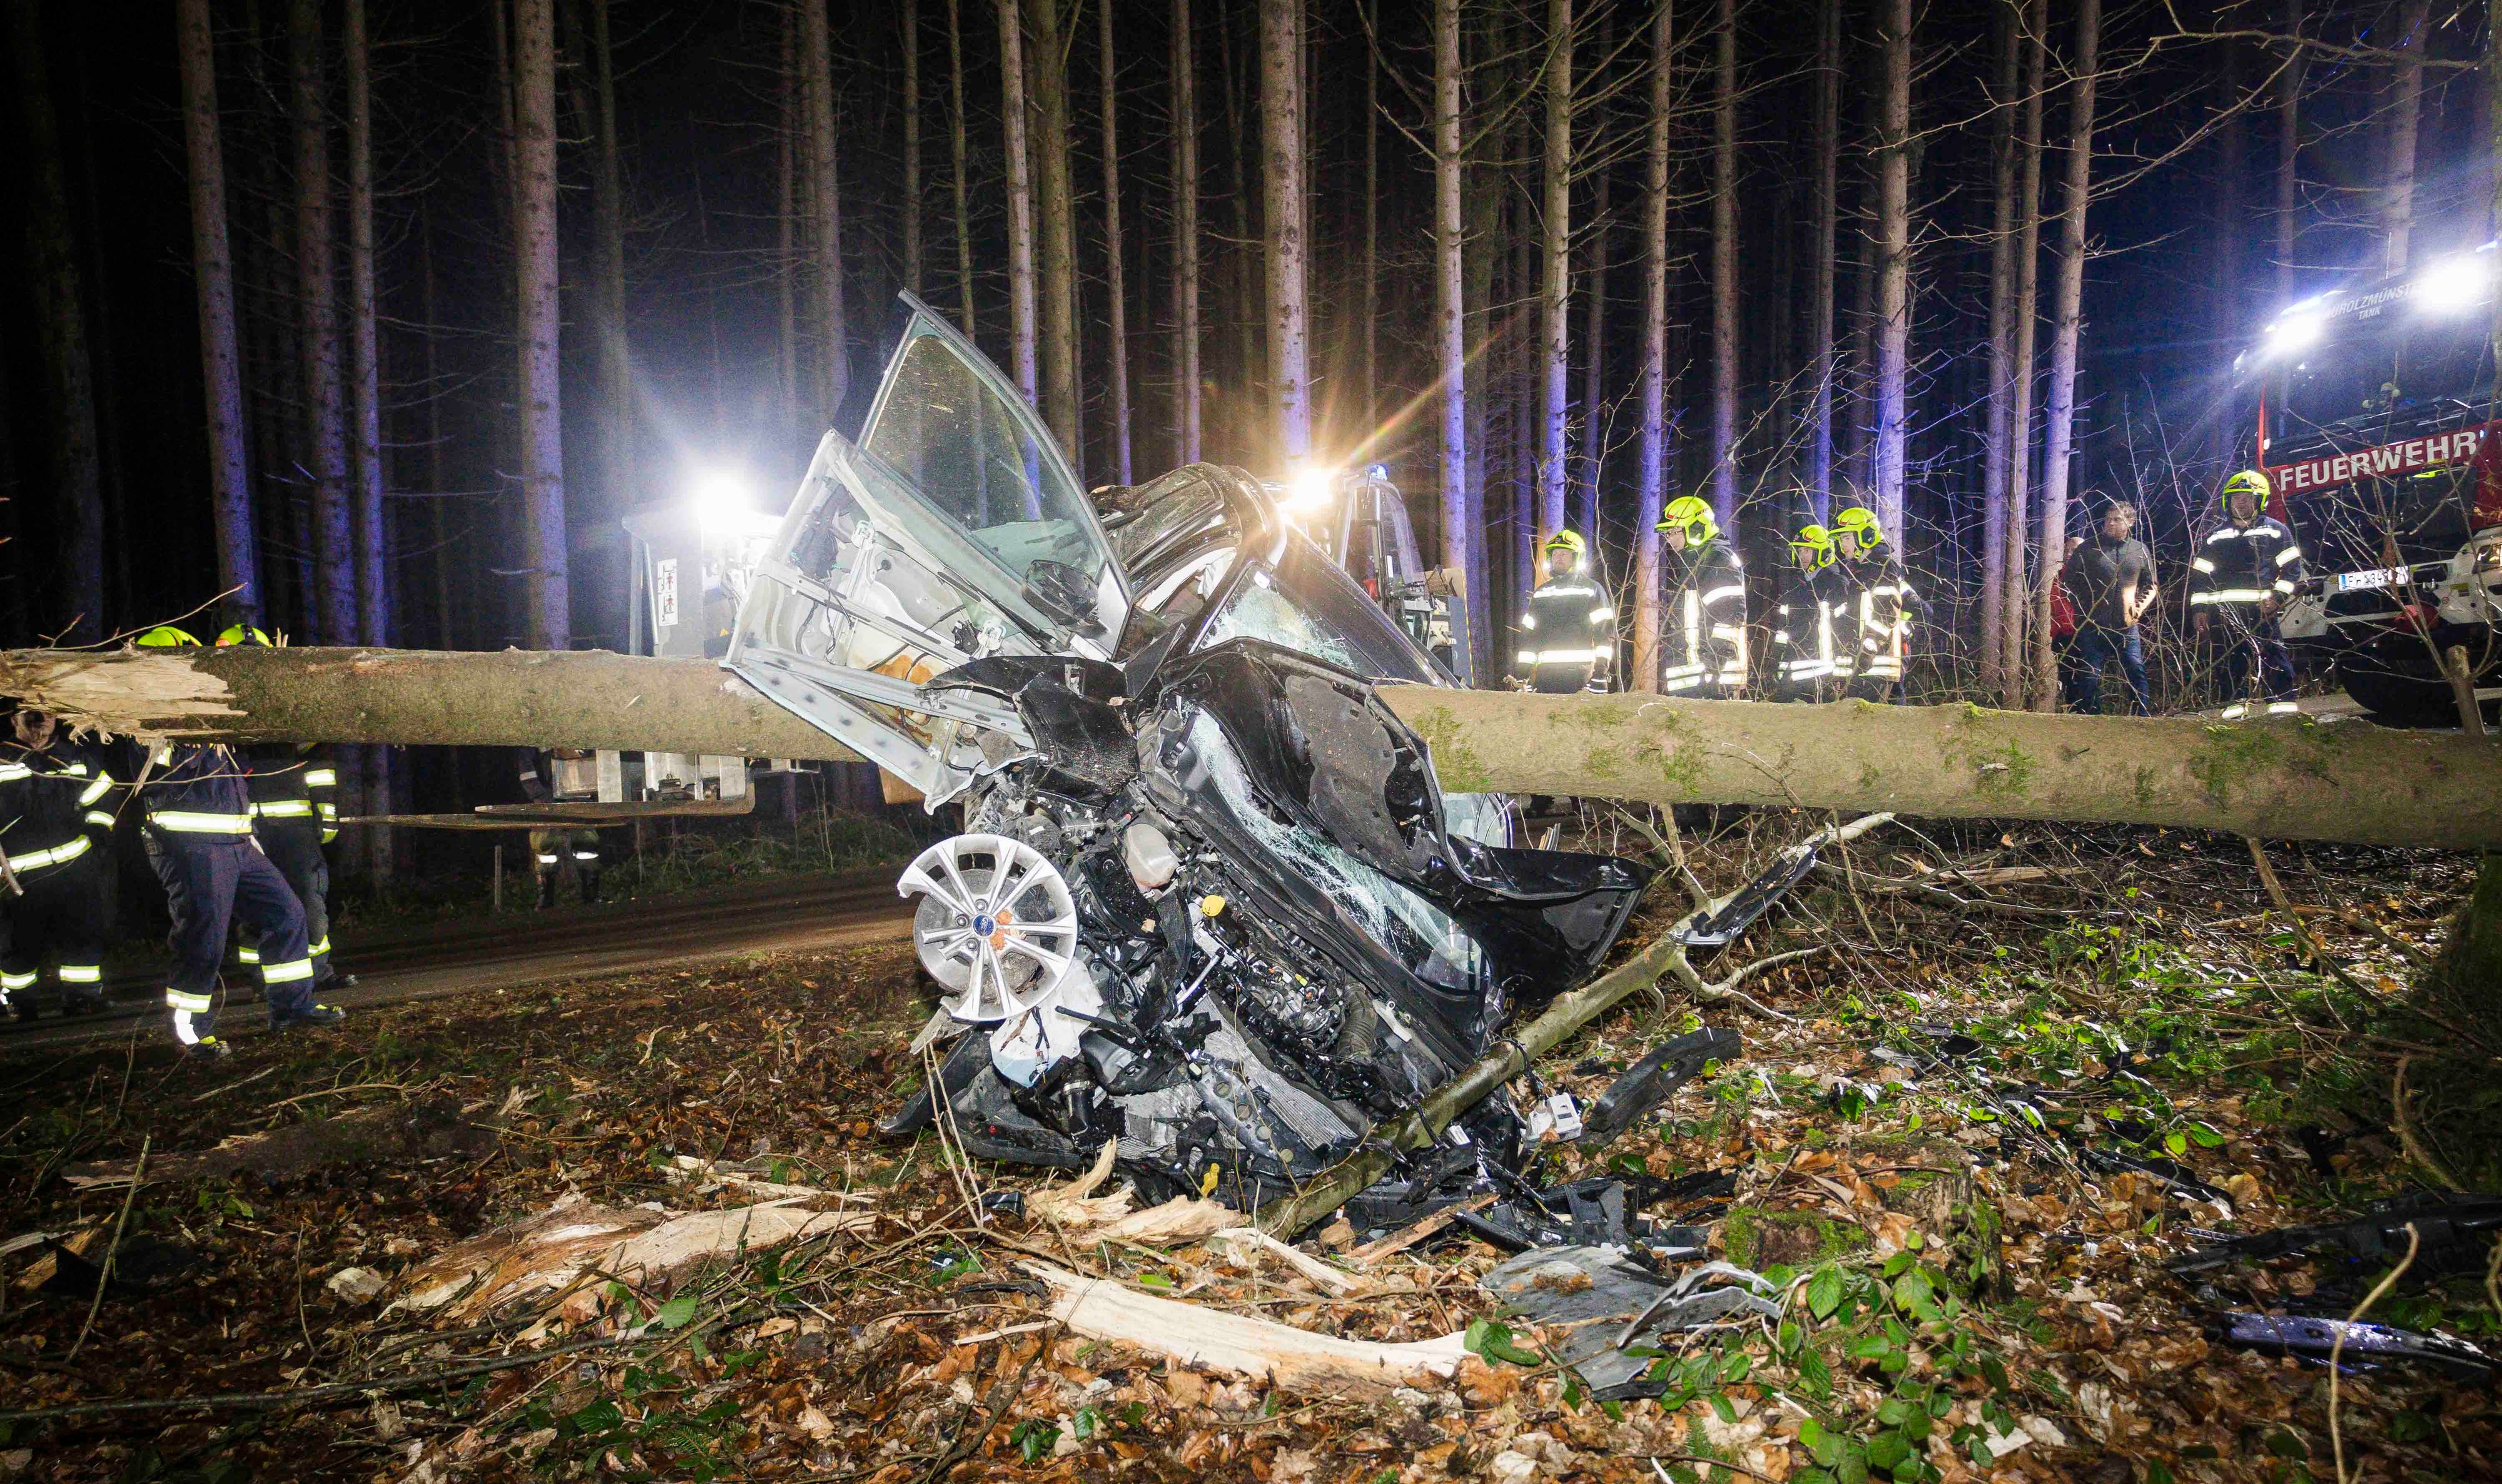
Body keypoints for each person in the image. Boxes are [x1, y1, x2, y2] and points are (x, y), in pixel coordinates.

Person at [131, 625, 341, 1057]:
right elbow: (168, 766)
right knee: (203, 937)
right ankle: (193, 1034)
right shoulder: (145, 713)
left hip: (237, 841)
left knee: (286, 914)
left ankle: (291, 1007)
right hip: (190, 844)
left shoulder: (211, 707)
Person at [218, 625, 354, 992]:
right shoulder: (216, 705)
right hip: (248, 830)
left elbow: (318, 765)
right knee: (255, 910)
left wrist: (326, 818)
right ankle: (264, 980)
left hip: (293, 832)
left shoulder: (289, 697)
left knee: (309, 905)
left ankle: (317, 974)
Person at [0, 708, 121, 1020]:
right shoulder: (1, 757)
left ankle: (82, 998)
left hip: (75, 866)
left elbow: (103, 794)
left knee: (83, 934)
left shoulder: (74, 757)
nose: (41, 722)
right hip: (17, 874)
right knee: (18, 942)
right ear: (14, 720)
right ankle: (19, 1002)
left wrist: (98, 829)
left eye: (49, 716)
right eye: (32, 716)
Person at [2189, 469, 2304, 718]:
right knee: (2231, 664)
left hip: (2261, 612)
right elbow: (2200, 577)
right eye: (2235, 497)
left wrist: (2277, 598)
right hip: (2226, 613)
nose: (2240, 502)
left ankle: (2283, 711)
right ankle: (2235, 713)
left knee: (2275, 659)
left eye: (2246, 497)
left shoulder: (2276, 531)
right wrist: (2199, 610)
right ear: (2227, 502)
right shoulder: (2215, 537)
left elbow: (2293, 570)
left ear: (2259, 500)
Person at [2059, 502, 2156, 715]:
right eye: (2108, 519)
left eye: (2117, 519)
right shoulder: (2088, 548)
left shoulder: (2139, 550)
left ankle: (2142, 717)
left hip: (2126, 626)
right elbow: (2068, 582)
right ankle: (2090, 718)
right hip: (2092, 625)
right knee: (2090, 675)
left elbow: (2151, 584)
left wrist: (2138, 609)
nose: (2110, 524)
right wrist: (2083, 609)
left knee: (2136, 671)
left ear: (2130, 522)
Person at [1828, 506, 1925, 701]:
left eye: (1847, 538)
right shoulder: (1856, 570)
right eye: (1840, 539)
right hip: (1860, 662)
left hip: (1876, 661)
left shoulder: (1881, 566)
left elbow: (1885, 615)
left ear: (1866, 536)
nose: (1842, 544)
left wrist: (1867, 652)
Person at [1655, 497, 1748, 697]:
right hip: (1694, 678)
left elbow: (1729, 617)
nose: (1669, 539)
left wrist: (1713, 668)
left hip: (1711, 680)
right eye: (1667, 534)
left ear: (1696, 528)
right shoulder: (1694, 563)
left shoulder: (1717, 559)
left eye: (1674, 532)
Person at [1517, 530, 1616, 695]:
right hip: (1546, 677)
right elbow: (1528, 637)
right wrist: (1523, 676)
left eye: (1564, 553)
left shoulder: (1592, 590)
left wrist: (1601, 674)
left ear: (1577, 558)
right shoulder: (1541, 593)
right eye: (1555, 553)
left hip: (1580, 675)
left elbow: (1604, 634)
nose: (1558, 558)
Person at [517, 748, 605, 907]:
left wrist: (592, 792)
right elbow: (527, 772)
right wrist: (543, 797)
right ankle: (546, 897)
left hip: (580, 799)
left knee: (587, 847)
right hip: (547, 803)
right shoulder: (535, 736)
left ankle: (591, 895)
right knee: (545, 847)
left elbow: (596, 760)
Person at [1773, 523, 1839, 701]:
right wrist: (1776, 657)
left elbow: (1842, 626)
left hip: (1821, 664)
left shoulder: (1835, 583)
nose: (1802, 556)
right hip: (1795, 660)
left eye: (1808, 551)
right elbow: (1784, 627)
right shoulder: (1795, 585)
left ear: (1823, 553)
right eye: (1800, 551)